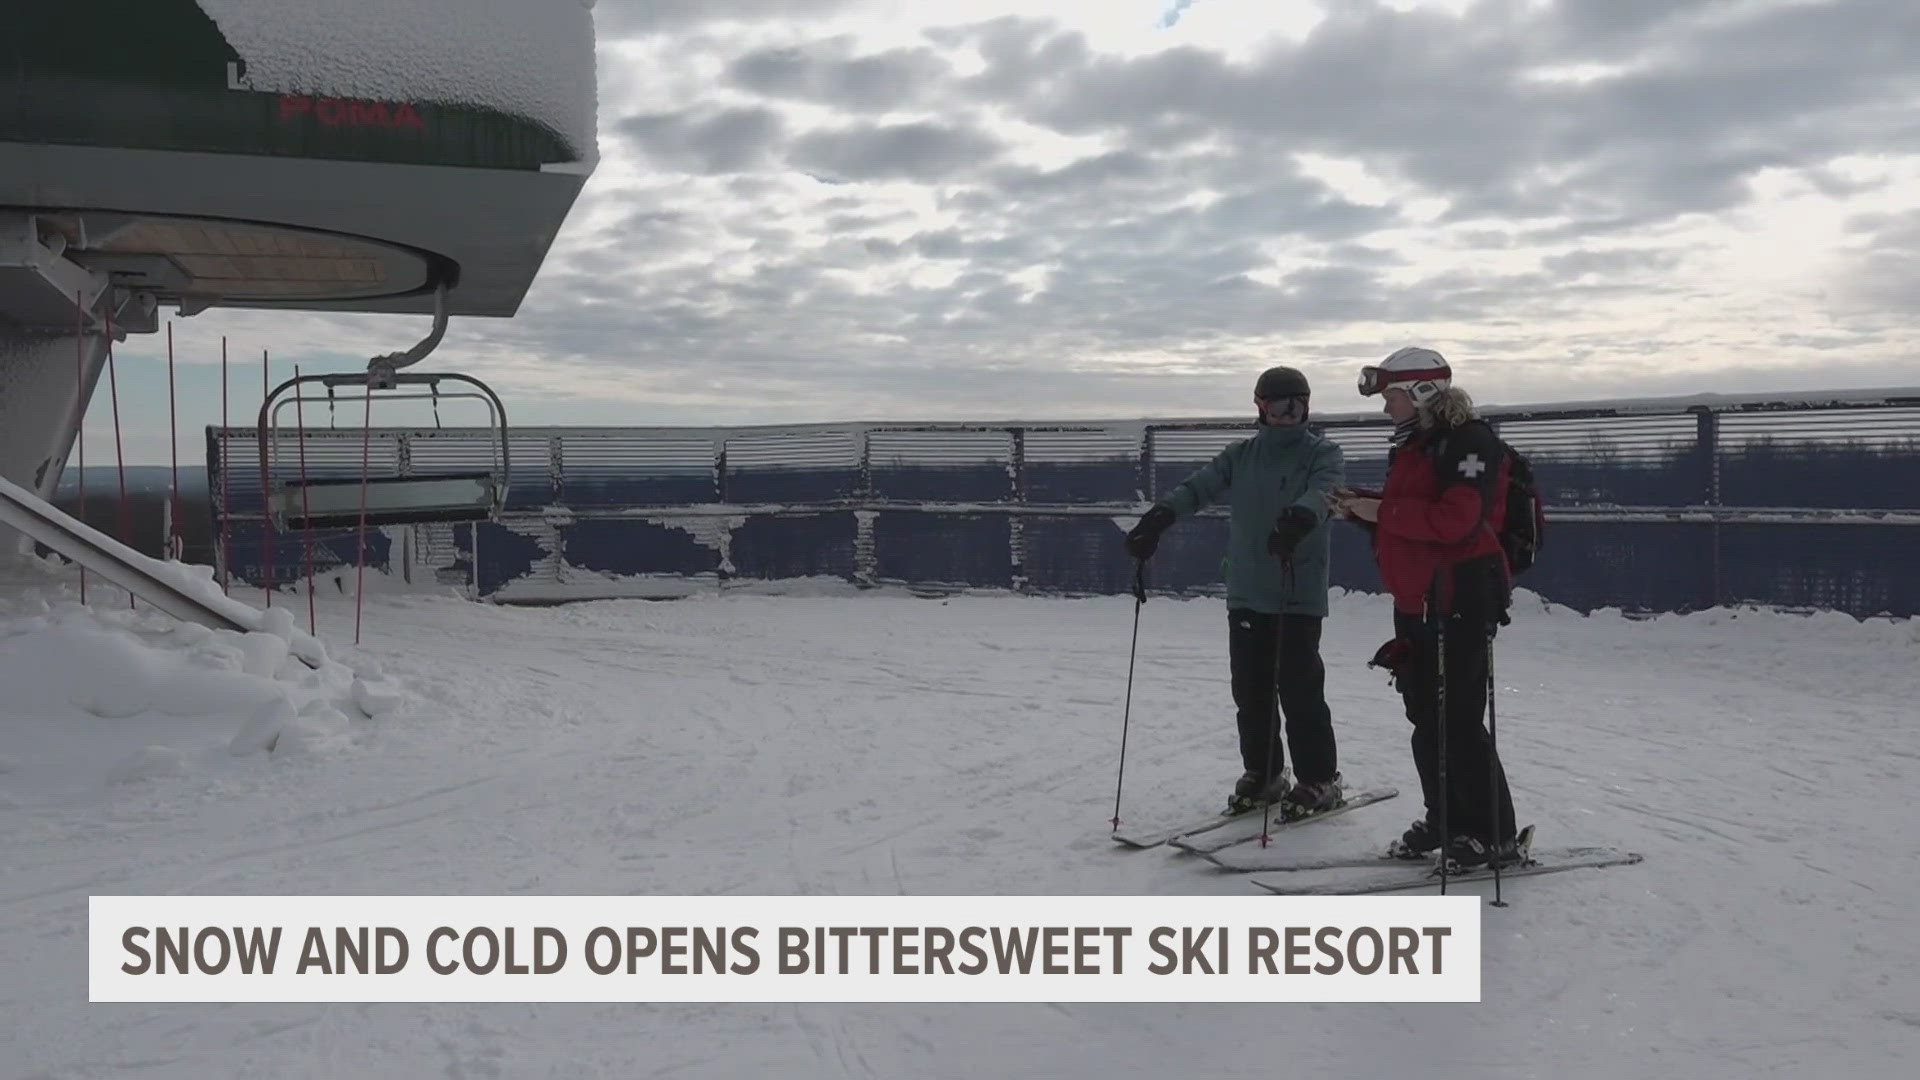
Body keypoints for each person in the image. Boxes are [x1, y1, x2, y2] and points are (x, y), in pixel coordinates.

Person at [1123, 366, 1347, 817]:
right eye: (1278, 405)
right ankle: (1263, 774)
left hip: (1295, 591)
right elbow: (1199, 487)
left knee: (1300, 691)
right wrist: (1160, 516)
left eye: (1296, 404)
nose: (1288, 414)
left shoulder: (1322, 453)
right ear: (1259, 407)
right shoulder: (1241, 455)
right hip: (1247, 590)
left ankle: (1319, 779)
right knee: (1251, 689)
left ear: (1307, 405)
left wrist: (1300, 518)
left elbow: (1325, 494)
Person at [1328, 346, 1521, 868]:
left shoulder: (1468, 442)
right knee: (1426, 718)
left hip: (1458, 596)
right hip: (1417, 599)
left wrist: (1380, 508)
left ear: (1422, 393)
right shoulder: (1415, 445)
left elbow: (1455, 521)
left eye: (1391, 395)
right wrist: (1358, 506)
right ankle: (1448, 820)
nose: (1386, 406)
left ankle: (1492, 833)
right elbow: (1409, 519)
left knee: (1457, 719)